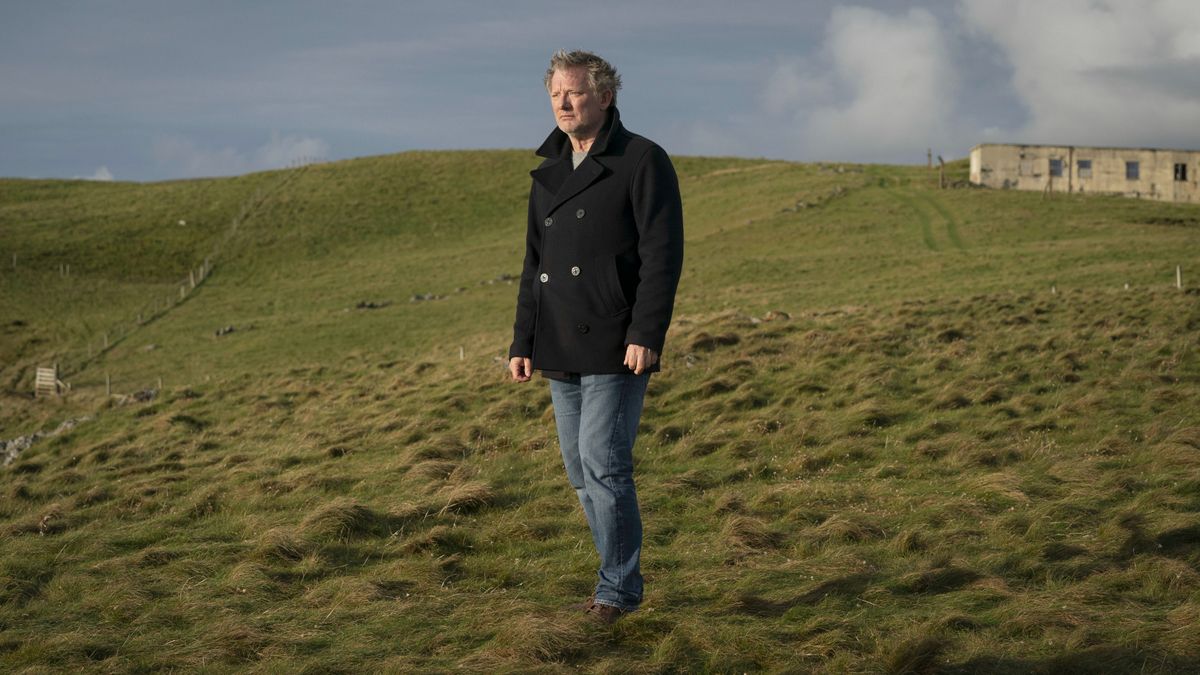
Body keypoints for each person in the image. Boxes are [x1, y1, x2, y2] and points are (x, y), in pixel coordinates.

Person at [508, 50, 684, 624]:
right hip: (559, 341)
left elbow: (662, 256)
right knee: (581, 473)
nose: (563, 102)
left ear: (605, 97)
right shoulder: (549, 173)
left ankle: (617, 592)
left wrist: (646, 331)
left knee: (604, 464)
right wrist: (521, 342)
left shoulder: (641, 160)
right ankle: (616, 577)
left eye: (576, 92)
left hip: (615, 339)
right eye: (556, 93)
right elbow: (535, 265)